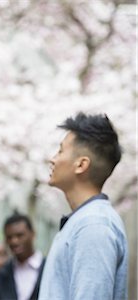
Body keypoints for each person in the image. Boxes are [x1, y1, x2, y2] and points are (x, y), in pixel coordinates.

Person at [38, 112, 128, 300]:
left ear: (81, 165)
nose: (52, 159)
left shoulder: (94, 225)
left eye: (61, 151)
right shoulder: (84, 221)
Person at [0, 213, 45, 300]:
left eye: (20, 235)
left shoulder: (49, 268)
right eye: (9, 237)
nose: (14, 241)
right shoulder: (2, 271)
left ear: (33, 234)